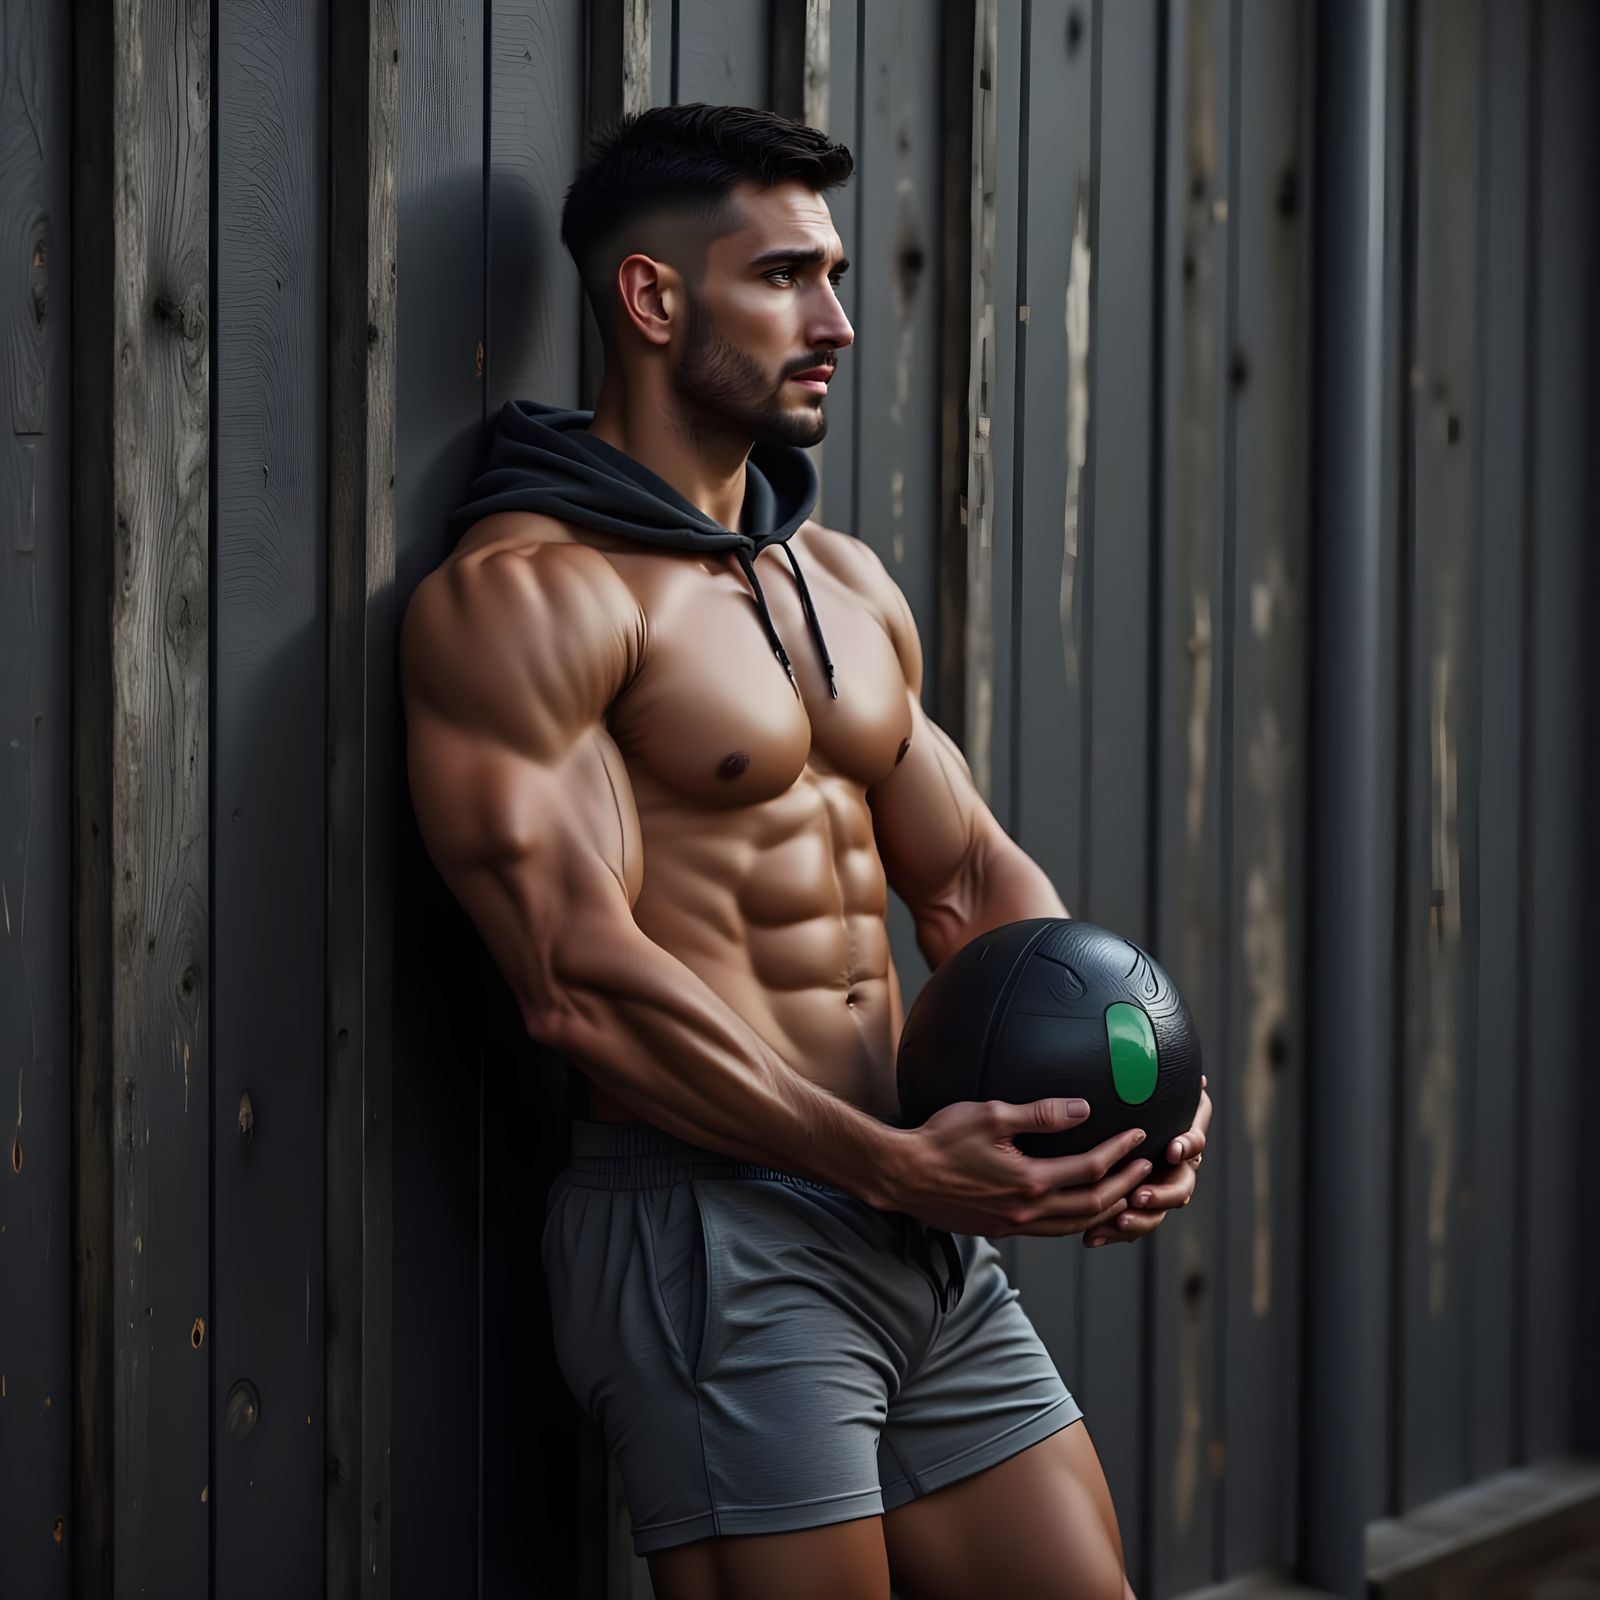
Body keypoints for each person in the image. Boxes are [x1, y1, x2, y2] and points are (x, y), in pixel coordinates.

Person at [399, 104, 1212, 1600]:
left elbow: (971, 881)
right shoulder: (529, 598)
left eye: (835, 273)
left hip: (914, 1216)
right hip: (711, 1229)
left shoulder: (835, 578)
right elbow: (579, 982)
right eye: (785, 277)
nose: (837, 320)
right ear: (652, 299)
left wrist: (1133, 1091)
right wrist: (894, 1159)